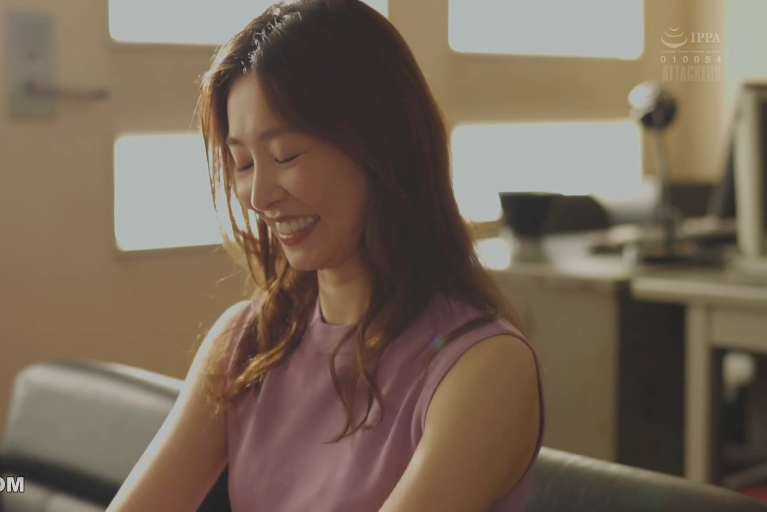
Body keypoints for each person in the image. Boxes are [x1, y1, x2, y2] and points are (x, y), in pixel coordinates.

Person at [109, 1, 544, 510]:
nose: (259, 196)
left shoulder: (483, 367)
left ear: (383, 142)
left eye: (286, 155)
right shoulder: (247, 343)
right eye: (243, 163)